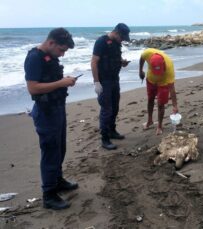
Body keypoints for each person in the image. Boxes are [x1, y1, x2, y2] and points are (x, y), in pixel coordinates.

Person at [24, 28, 79, 210]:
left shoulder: (51, 57)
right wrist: (61, 83)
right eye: (61, 50)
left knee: (60, 148)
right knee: (50, 152)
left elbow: (50, 81)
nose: (62, 55)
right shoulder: (34, 58)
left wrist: (65, 80)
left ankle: (58, 180)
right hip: (45, 112)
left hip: (57, 108)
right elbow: (33, 88)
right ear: (51, 43)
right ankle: (49, 194)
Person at [91, 23, 130, 150]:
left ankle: (112, 131)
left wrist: (122, 62)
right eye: (122, 37)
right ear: (117, 33)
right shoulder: (101, 42)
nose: (123, 40)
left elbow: (114, 58)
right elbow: (94, 62)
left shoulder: (116, 43)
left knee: (115, 108)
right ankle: (105, 138)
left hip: (114, 79)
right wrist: (96, 82)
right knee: (106, 110)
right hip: (104, 81)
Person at [139, 48, 179, 135]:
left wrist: (175, 106)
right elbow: (142, 58)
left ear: (163, 64)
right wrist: (140, 70)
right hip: (151, 80)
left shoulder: (169, 68)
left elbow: (172, 89)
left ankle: (160, 126)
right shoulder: (147, 53)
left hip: (163, 83)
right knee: (150, 100)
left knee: (161, 104)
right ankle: (150, 121)